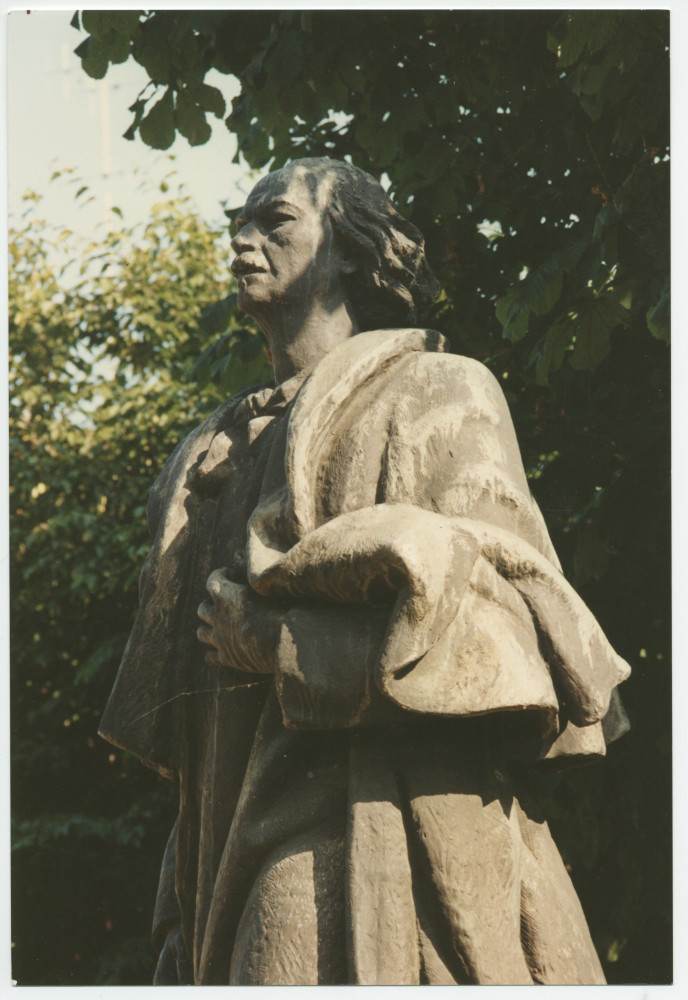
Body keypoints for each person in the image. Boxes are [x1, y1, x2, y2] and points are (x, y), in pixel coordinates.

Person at [100, 157, 630, 985]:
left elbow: (512, 625)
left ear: (349, 249)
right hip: (219, 851)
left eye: (276, 222)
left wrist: (283, 643)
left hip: (369, 829)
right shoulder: (207, 457)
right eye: (238, 224)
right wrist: (176, 894)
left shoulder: (439, 391)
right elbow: (194, 727)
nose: (243, 241)